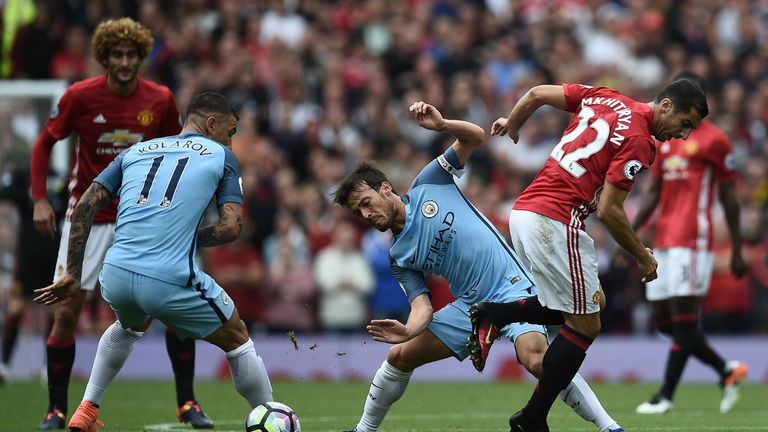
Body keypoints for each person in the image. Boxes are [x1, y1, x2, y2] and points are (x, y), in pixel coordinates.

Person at [333, 101, 624, 432]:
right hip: (471, 306)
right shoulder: (399, 255)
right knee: (399, 356)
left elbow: (474, 137)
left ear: (385, 187)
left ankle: (609, 427)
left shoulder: (429, 183)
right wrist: (409, 331)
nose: (366, 216)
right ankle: (364, 430)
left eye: (366, 204)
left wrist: (442, 125)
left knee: (538, 361)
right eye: (358, 213)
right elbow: (421, 307)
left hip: (511, 285)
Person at [469, 78, 709, 432]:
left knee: (588, 304)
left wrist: (513, 122)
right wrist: (642, 255)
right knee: (586, 324)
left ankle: (496, 313)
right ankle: (532, 417)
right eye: (685, 124)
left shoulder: (604, 97)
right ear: (667, 106)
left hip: (524, 213)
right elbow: (611, 211)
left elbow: (536, 94)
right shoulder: (642, 141)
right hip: (554, 221)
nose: (684, 135)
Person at [33, 92, 274, 432]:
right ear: (211, 124)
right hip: (167, 275)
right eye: (230, 131)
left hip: (114, 274)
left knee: (129, 326)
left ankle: (85, 409)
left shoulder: (135, 151)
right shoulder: (221, 155)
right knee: (238, 338)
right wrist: (189, 237)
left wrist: (73, 273)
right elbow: (232, 226)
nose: (230, 141)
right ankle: (273, 416)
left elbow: (85, 205)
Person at [29, 18, 213, 429]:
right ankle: (55, 410)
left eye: (132, 55)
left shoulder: (161, 99)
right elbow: (44, 145)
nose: (125, 62)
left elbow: (179, 154)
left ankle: (187, 404)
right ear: (105, 57)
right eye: (117, 55)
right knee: (66, 309)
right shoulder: (80, 96)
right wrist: (40, 199)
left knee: (174, 307)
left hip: (145, 219)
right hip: (89, 219)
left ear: (141, 57)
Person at [632, 74, 748, 415]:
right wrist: (632, 232)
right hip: (663, 238)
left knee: (683, 322)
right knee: (663, 321)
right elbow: (653, 192)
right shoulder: (666, 139)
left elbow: (730, 197)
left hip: (693, 240)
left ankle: (665, 396)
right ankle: (727, 370)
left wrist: (737, 247)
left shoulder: (715, 142)